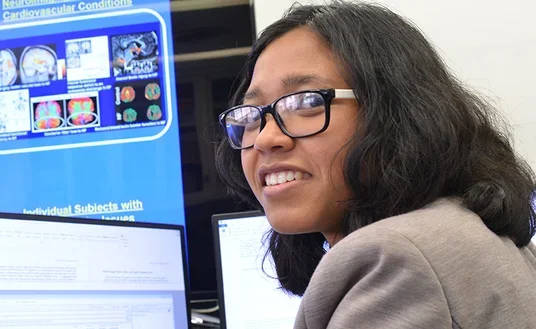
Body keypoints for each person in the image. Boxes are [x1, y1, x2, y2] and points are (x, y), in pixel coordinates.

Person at [214, 2, 536, 328]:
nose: (267, 138)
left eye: (306, 101)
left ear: (399, 114)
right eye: (249, 114)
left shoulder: (395, 259)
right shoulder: (463, 232)